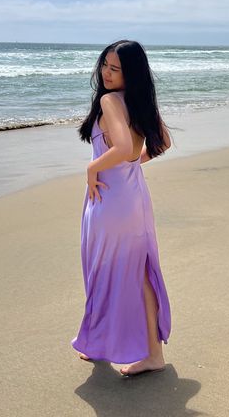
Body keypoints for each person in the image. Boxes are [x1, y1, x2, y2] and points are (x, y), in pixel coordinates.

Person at [71, 40, 172, 377]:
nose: (107, 73)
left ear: (131, 74)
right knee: (137, 272)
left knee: (104, 268)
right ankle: (126, 348)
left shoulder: (110, 100)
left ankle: (121, 346)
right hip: (133, 194)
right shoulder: (139, 101)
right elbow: (162, 143)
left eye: (116, 69)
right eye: (105, 65)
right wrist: (132, 165)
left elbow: (125, 146)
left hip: (110, 198)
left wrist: (93, 169)